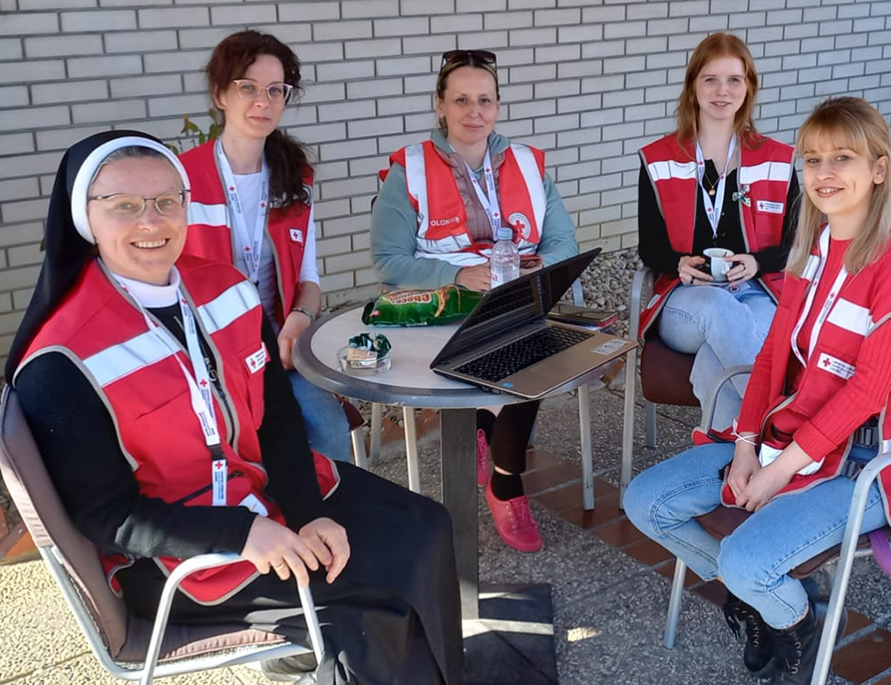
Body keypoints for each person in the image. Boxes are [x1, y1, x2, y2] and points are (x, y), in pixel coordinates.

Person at [9, 131, 463, 685]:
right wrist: (240, 534)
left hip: (265, 489)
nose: (151, 222)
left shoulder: (228, 290)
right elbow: (111, 518)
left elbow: (276, 419)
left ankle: (375, 666)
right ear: (85, 218)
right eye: (124, 205)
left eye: (167, 200)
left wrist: (305, 511)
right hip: (176, 553)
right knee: (373, 601)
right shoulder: (62, 360)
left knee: (426, 526)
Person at [624, 97, 891, 684]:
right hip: (792, 436)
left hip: (869, 461)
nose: (824, 174)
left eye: (843, 158)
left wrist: (774, 474)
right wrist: (748, 445)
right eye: (812, 160)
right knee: (645, 502)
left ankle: (791, 624)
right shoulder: (815, 249)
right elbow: (774, 355)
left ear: (879, 168)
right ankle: (770, 609)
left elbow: (866, 395)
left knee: (744, 560)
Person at [370, 49, 579, 553]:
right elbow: (388, 260)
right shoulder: (410, 168)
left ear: (499, 107)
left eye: (485, 100)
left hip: (513, 301)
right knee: (520, 350)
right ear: (439, 106)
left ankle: (500, 469)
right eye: (461, 99)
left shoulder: (527, 163)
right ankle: (498, 464)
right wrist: (460, 273)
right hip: (441, 305)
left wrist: (532, 269)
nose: (474, 111)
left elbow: (564, 244)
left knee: (539, 346)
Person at [179, 30, 351, 463]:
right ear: (220, 95)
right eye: (248, 88)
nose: (263, 101)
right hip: (210, 354)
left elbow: (309, 280)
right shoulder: (181, 181)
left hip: (279, 349)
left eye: (276, 90)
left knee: (329, 430)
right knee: (239, 445)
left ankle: (333, 523)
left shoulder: (294, 177)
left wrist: (299, 317)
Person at [636, 33, 800, 436]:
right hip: (687, 299)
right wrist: (678, 264)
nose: (722, 92)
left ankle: (721, 459)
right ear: (693, 85)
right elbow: (649, 245)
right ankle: (782, 429)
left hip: (756, 292)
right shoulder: (658, 158)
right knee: (718, 311)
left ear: (749, 88)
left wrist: (759, 262)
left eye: (734, 80)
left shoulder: (777, 159)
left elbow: (799, 241)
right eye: (710, 79)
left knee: (717, 359)